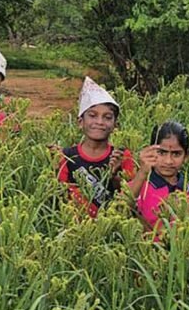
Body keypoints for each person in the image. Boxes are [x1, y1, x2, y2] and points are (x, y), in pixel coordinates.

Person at [55, 77, 134, 218]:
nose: (99, 122)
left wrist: (115, 175)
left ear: (115, 125)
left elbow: (133, 198)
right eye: (92, 115)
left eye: (107, 117)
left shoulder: (122, 156)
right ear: (80, 122)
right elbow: (59, 198)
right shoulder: (66, 157)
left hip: (114, 227)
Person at [129, 120, 189, 234]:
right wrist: (142, 172)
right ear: (150, 151)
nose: (168, 161)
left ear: (186, 156)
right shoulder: (137, 188)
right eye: (161, 152)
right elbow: (118, 213)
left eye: (176, 154)